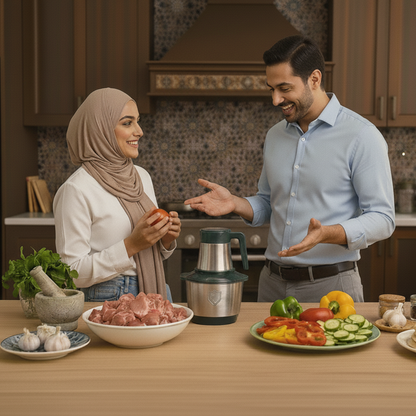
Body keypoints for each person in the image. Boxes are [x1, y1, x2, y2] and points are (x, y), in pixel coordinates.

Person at [184, 35, 395, 303]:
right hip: (272, 285)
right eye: (271, 88)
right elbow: (268, 203)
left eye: (284, 88)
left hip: (331, 286)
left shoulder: (361, 135)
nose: (275, 99)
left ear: (314, 79)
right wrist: (235, 203)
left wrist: (328, 233)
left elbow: (383, 219)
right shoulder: (275, 135)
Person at [53, 88, 181, 302]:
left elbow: (148, 253)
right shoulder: (76, 190)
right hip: (110, 297)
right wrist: (131, 245)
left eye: (137, 121)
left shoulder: (141, 176)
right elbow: (71, 273)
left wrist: (164, 239)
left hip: (156, 290)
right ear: (100, 129)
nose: (139, 131)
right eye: (127, 123)